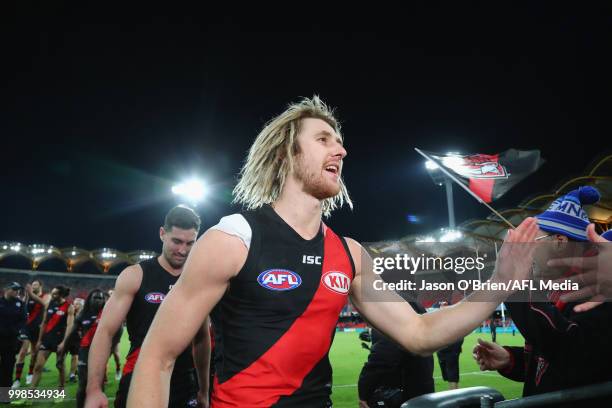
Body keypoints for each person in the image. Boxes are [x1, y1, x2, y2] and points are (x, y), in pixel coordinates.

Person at [128, 96, 539, 407]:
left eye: (340, 143)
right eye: (323, 140)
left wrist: (501, 282)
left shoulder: (350, 253)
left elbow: (420, 334)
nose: (340, 151)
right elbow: (158, 357)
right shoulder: (233, 238)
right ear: (288, 153)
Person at [474, 186, 612, 406]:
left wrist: (514, 284)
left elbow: (574, 359)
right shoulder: (558, 289)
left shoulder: (600, 291)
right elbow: (549, 366)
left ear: (559, 242)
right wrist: (510, 360)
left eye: (534, 242)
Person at [85, 205, 210, 408]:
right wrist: (94, 389)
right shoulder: (135, 276)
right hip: (141, 376)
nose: (182, 250)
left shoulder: (198, 280)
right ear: (162, 233)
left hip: (185, 383)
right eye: (176, 241)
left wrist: (204, 389)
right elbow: (105, 332)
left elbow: (202, 338)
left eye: (190, 243)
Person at [358, 303, 434, 408]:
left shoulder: (392, 311)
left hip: (403, 395)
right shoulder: (415, 305)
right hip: (423, 389)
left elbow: (382, 359)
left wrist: (363, 393)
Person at [63, 289, 106, 408]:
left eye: (101, 298)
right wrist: (63, 351)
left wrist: (111, 348)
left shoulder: (107, 313)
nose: (98, 301)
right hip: (85, 352)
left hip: (100, 353)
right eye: (95, 298)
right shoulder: (83, 314)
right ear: (90, 300)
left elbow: (118, 331)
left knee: (98, 385)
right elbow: (72, 334)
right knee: (83, 384)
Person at [12, 279, 49, 388]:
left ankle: (30, 373)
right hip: (27, 327)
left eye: (35, 285)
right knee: (23, 351)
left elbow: (45, 304)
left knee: (34, 354)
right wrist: (27, 297)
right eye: (32, 285)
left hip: (38, 329)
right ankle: (17, 379)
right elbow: (24, 308)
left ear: (40, 286)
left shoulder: (46, 296)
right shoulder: (29, 296)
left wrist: (31, 294)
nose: (33, 286)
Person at [0, 282, 27, 390]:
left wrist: (17, 331)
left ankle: (4, 395)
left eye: (18, 289)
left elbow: (23, 320)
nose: (17, 292)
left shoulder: (20, 304)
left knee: (8, 366)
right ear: (6, 289)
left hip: (11, 340)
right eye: (15, 289)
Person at [106, 289, 122, 381]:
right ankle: (104, 377)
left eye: (113, 294)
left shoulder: (120, 304)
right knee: (104, 356)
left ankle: (118, 369)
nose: (111, 295)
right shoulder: (105, 304)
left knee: (115, 353)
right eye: (109, 294)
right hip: (107, 331)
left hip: (116, 331)